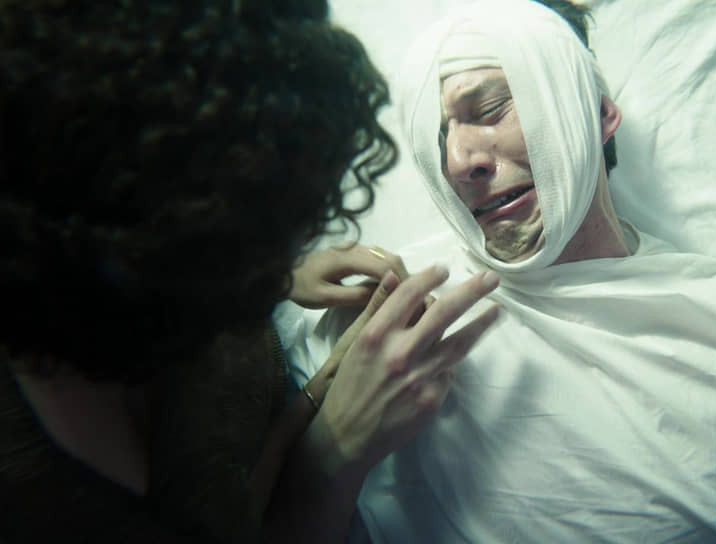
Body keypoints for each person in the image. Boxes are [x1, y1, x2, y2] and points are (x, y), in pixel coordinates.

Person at [298, 0, 716, 542]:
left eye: (488, 107)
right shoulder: (376, 330)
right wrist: (333, 447)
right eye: (435, 138)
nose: (459, 160)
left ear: (596, 115)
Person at [0, 1, 501, 542]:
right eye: (263, 215)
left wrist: (275, 286)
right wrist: (336, 450)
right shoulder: (36, 485)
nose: (304, 235)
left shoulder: (163, 281)